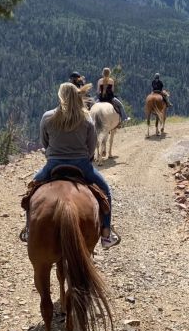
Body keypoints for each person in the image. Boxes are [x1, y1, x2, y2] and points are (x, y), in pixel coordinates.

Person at [20, 82, 121, 249]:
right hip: (82, 164)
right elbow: (91, 146)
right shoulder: (86, 118)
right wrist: (83, 157)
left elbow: (44, 142)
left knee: (30, 192)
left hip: (53, 165)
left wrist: (54, 153)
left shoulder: (48, 117)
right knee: (106, 192)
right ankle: (106, 234)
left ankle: (30, 229)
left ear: (60, 96)